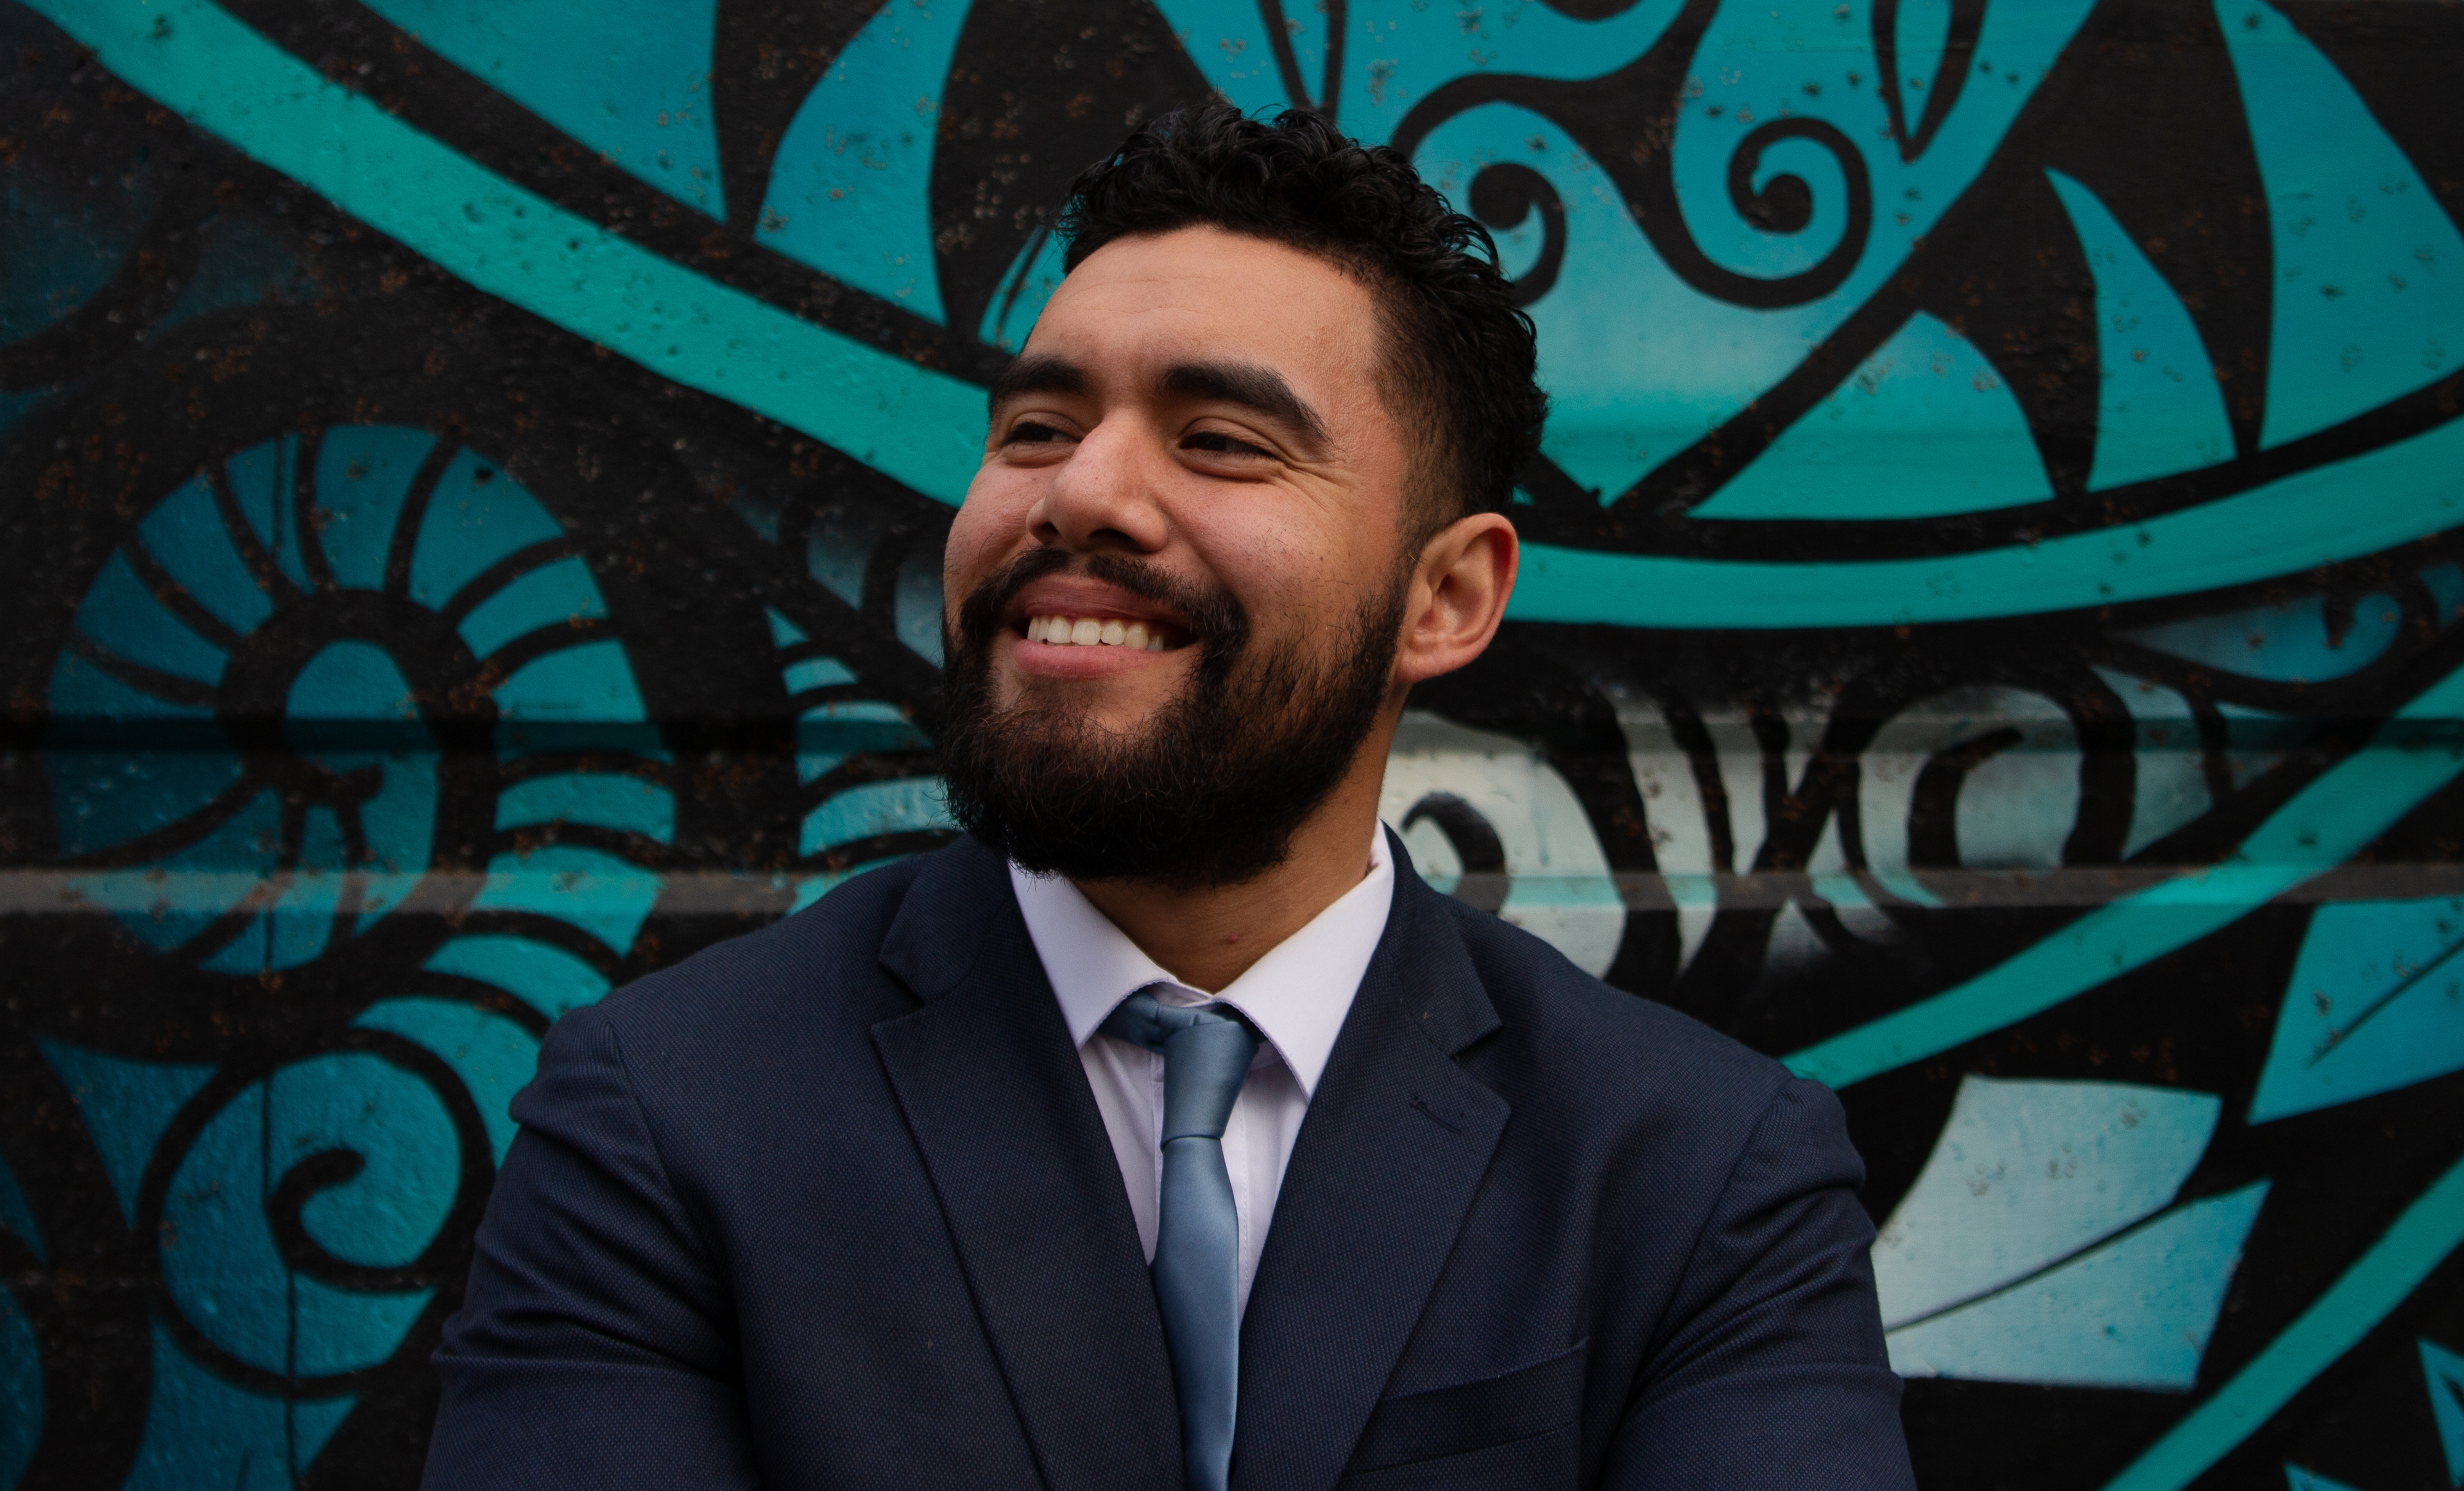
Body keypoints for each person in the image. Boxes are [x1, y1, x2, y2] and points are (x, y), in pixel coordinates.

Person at [423, 105, 1915, 1490]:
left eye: (1220, 442)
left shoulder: (1700, 1174)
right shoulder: (668, 1116)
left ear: (1446, 597)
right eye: (1037, 430)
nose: (1079, 494)